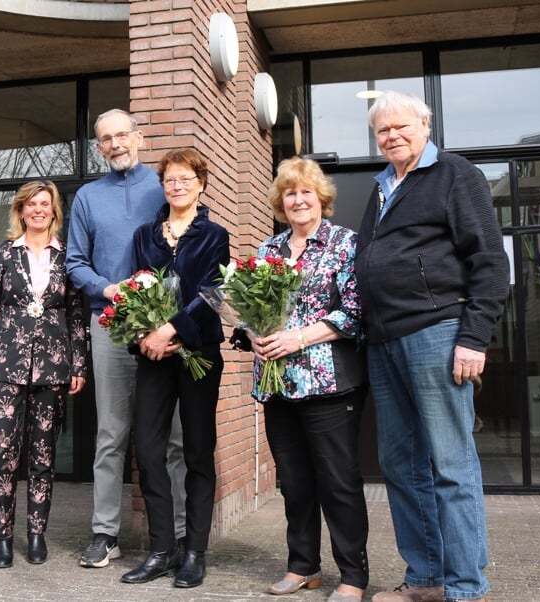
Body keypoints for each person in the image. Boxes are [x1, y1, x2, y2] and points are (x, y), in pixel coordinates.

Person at [356, 90, 509, 602]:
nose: (392, 136)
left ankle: (466, 587)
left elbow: (489, 260)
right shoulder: (382, 187)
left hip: (437, 333)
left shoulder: (454, 174)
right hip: (384, 341)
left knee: (451, 464)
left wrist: (473, 337)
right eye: (383, 131)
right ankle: (426, 579)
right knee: (400, 464)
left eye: (402, 126)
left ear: (425, 123)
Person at [241, 157, 369, 602]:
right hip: (277, 385)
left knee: (337, 481)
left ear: (321, 199)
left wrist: (296, 338)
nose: (298, 200)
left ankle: (352, 575)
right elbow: (248, 313)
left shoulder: (345, 243)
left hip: (327, 383)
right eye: (290, 193)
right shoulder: (268, 250)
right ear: (281, 201)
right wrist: (253, 335)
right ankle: (303, 566)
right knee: (293, 482)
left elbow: (354, 312)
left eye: (306, 192)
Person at [66, 108, 188, 568]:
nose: (115, 144)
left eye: (122, 135)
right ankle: (104, 534)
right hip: (110, 327)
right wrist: (107, 287)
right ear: (99, 147)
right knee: (111, 433)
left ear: (138, 138)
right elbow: (75, 262)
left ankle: (177, 533)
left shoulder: (164, 186)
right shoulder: (87, 198)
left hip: (163, 329)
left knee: (173, 435)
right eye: (106, 139)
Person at [120, 148, 228, 588]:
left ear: (200, 183)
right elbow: (133, 291)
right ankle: (162, 550)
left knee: (199, 451)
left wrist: (173, 330)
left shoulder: (214, 234)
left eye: (185, 178)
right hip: (154, 356)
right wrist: (146, 337)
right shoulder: (145, 234)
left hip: (198, 353)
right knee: (147, 449)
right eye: (169, 179)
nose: (176, 185)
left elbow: (215, 293)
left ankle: (194, 553)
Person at [0, 180, 89, 568]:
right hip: (6, 365)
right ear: (21, 211)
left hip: (53, 369)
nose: (38, 210)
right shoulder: (4, 253)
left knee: (42, 454)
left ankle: (36, 534)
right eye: (31, 204)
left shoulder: (67, 256)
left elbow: (76, 314)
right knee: (3, 452)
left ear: (55, 211)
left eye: (45, 204)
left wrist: (79, 364)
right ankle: (3, 537)